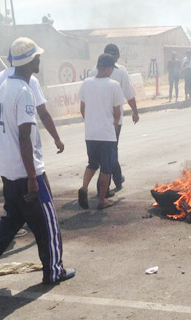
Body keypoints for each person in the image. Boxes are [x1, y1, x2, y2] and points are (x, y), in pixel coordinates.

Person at [0, 37, 75, 288]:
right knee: (48, 225)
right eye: (37, 57)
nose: (39, 60)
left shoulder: (4, 84)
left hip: (9, 170)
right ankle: (54, 271)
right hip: (27, 172)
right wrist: (34, 178)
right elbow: (25, 136)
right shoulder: (25, 91)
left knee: (12, 220)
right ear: (29, 61)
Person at [0, 50, 66, 238]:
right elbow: (42, 114)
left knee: (12, 208)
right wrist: (56, 138)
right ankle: (52, 262)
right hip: (28, 159)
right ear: (27, 60)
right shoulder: (27, 83)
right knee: (45, 213)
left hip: (6, 159)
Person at [88, 43, 139, 195]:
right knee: (109, 153)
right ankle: (102, 189)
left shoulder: (92, 71)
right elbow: (129, 95)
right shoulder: (121, 71)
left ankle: (117, 178)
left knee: (105, 152)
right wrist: (135, 111)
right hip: (113, 120)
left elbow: (85, 101)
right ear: (117, 57)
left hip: (95, 120)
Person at [77, 54, 126, 210]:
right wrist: (114, 126)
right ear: (109, 69)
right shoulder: (114, 85)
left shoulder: (86, 83)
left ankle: (84, 187)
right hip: (106, 134)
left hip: (90, 133)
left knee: (92, 163)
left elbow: (82, 108)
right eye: (111, 68)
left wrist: (91, 122)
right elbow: (117, 112)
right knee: (106, 168)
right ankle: (102, 200)